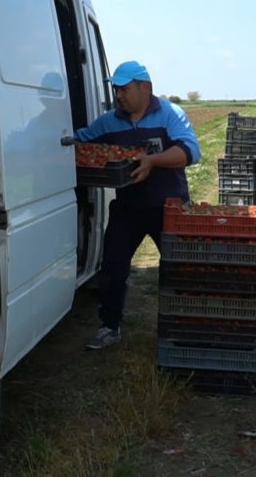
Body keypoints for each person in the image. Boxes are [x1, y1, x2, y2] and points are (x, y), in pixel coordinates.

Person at [76, 60, 202, 349]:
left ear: (145, 87)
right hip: (128, 208)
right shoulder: (110, 121)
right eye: (116, 89)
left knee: (179, 268)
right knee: (112, 267)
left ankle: (184, 326)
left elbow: (191, 151)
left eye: (124, 89)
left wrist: (153, 160)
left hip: (169, 207)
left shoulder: (170, 114)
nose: (119, 95)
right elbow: (81, 142)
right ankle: (110, 326)